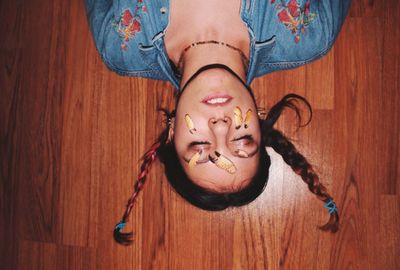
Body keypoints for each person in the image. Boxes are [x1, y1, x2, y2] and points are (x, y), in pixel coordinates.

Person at [85, 0, 351, 245]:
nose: (221, 126)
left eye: (199, 144)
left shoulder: (121, 46)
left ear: (172, 132)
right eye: (243, 140)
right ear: (259, 123)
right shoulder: (309, 34)